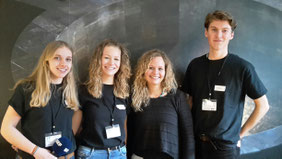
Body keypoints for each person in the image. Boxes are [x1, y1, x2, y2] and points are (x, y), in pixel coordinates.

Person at [181, 10, 270, 159]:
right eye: (214, 30)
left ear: (231, 35)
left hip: (225, 149)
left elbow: (263, 105)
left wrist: (240, 134)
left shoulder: (242, 68)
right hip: (196, 145)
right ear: (206, 32)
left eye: (224, 31)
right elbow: (189, 103)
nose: (219, 35)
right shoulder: (195, 65)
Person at [1, 41, 80, 159]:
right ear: (46, 61)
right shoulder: (27, 88)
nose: (64, 64)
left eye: (68, 59)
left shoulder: (71, 90)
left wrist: (68, 137)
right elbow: (6, 128)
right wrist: (35, 150)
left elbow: (76, 115)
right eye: (57, 58)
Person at [127, 49, 195, 159]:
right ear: (143, 71)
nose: (155, 72)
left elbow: (188, 136)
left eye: (160, 68)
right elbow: (129, 133)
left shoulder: (177, 97)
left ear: (166, 71)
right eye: (151, 68)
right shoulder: (135, 98)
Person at [75, 39, 131, 159]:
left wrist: (123, 146)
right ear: (98, 60)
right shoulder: (84, 91)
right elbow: (74, 129)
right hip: (91, 154)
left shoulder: (124, 92)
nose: (112, 63)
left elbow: (124, 124)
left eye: (116, 59)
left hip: (119, 153)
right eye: (107, 57)